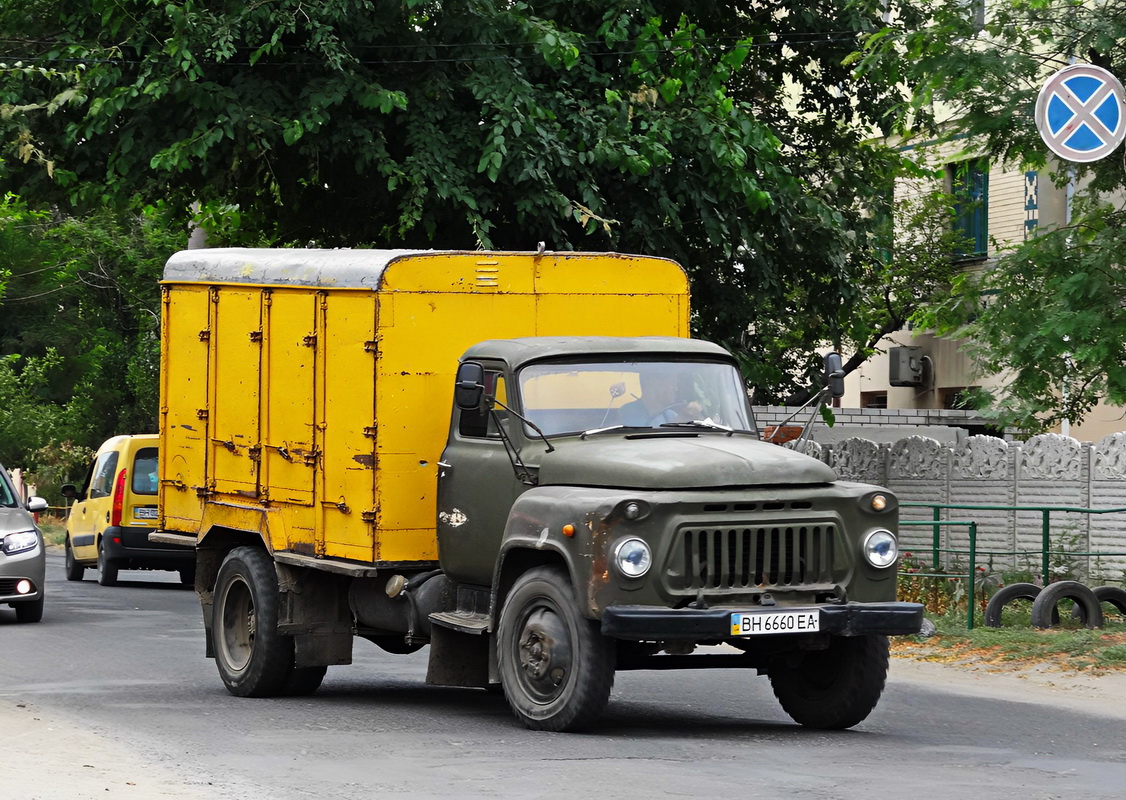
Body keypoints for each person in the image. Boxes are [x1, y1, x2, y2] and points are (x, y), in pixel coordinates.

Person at [618, 368, 701, 427]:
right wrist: (680, 421)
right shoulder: (629, 411)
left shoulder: (670, 415)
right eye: (672, 383)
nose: (675, 389)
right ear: (653, 384)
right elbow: (643, 438)